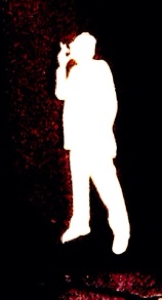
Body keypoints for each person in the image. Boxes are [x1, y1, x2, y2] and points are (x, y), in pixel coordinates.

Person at [55, 32, 130, 254]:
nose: (72, 50)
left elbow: (111, 103)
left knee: (108, 187)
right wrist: (62, 66)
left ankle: (121, 230)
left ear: (87, 49)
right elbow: (61, 93)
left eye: (76, 47)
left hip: (95, 140)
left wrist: (102, 130)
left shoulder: (100, 68)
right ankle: (80, 223)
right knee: (79, 184)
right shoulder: (75, 72)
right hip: (77, 140)